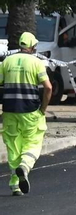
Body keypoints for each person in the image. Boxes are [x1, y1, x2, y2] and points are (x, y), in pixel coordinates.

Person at [2, 32, 53, 196]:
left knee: (13, 145)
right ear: (33, 47)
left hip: (10, 111)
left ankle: (15, 185)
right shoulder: (37, 63)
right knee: (33, 142)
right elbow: (48, 87)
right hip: (31, 111)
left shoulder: (6, 62)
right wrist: (43, 109)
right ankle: (25, 166)